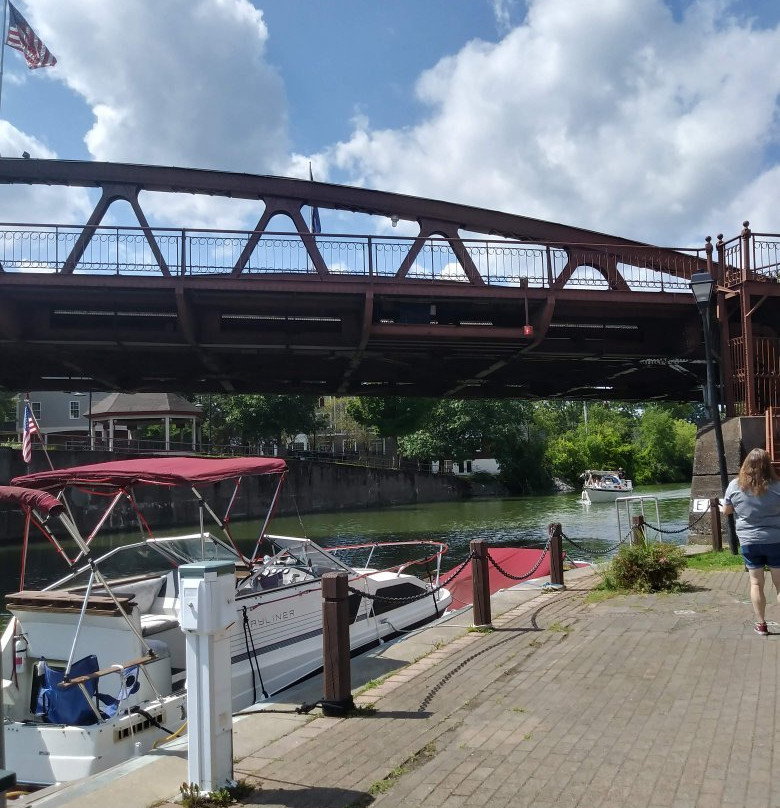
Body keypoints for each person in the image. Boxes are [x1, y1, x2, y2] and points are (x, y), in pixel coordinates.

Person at [722, 448, 780, 635]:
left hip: (749, 541)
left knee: (756, 583)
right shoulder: (777, 486)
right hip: (775, 540)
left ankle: (761, 625)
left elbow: (726, 511)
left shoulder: (735, 485)